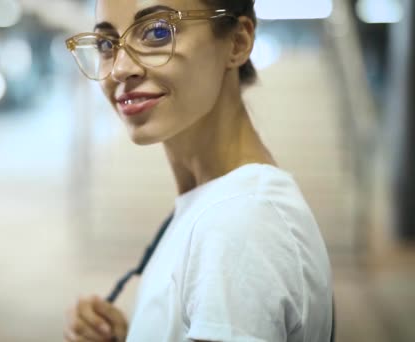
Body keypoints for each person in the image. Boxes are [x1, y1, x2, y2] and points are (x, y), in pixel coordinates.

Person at [63, 0, 333, 341]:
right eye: (106, 44)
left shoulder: (242, 224)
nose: (119, 68)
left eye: (158, 32)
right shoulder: (219, 204)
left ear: (237, 42)